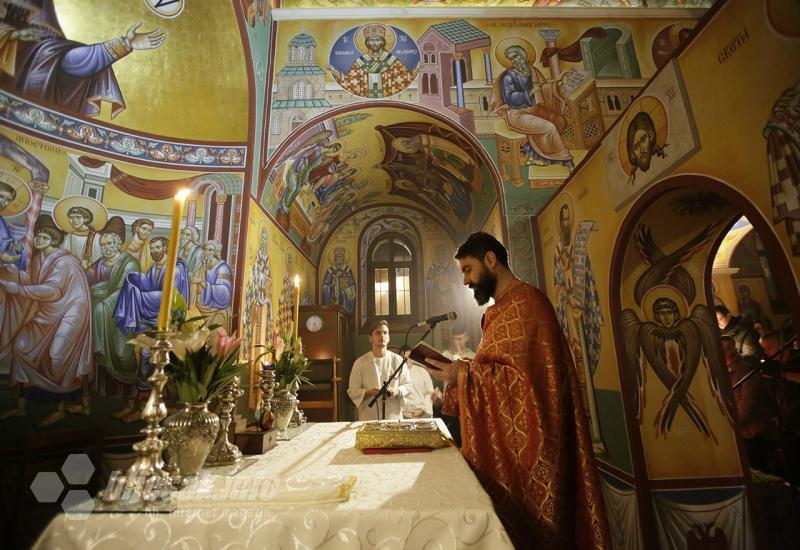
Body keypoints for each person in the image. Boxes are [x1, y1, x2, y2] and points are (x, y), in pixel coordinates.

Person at [424, 232, 610, 549]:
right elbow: (501, 374)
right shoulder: (500, 310)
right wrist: (462, 374)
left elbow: (531, 389)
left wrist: (464, 375)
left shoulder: (529, 304)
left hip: (537, 450)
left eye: (468, 269)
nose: (466, 281)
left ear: (491, 260)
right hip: (511, 444)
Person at [0, 215, 92, 427]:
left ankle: (59, 408)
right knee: (22, 345)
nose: (40, 238)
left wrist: (20, 290)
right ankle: (20, 405)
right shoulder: (38, 258)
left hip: (71, 313)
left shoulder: (64, 261)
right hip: (47, 313)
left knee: (57, 356)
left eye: (45, 235)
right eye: (38, 235)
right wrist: (12, 270)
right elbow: (31, 280)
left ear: (54, 239)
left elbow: (52, 290)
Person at [0, 1, 165, 118]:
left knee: (55, 54)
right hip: (19, 61)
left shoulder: (48, 45)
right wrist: (14, 35)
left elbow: (68, 61)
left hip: (40, 50)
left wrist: (125, 43)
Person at [490, 44, 574, 168]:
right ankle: (564, 159)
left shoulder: (532, 70)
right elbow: (511, 99)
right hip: (517, 113)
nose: (514, 61)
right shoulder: (508, 77)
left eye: (516, 57)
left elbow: (543, 89)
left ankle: (540, 155)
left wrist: (559, 84)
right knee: (550, 127)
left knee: (559, 120)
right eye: (511, 59)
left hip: (535, 109)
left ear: (523, 55)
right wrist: (529, 92)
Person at [86, 217, 141, 407]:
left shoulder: (130, 263)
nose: (105, 247)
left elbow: (125, 290)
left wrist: (102, 307)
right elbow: (87, 280)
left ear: (118, 243)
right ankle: (103, 392)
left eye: (109, 243)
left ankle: (130, 399)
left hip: (121, 317)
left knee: (121, 352)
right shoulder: (99, 263)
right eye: (102, 244)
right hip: (99, 316)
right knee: (99, 354)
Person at [723, 336, 777, 472]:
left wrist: (732, 425)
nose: (726, 352)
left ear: (734, 349)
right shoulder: (723, 372)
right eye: (722, 349)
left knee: (757, 467)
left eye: (728, 348)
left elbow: (748, 402)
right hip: (740, 430)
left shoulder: (745, 370)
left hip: (751, 431)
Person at [347, 320, 412, 421]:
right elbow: (353, 391)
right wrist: (370, 392)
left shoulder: (399, 361)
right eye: (378, 332)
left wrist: (397, 391)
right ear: (370, 338)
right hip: (369, 416)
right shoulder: (360, 362)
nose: (382, 335)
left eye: (385, 332)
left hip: (393, 416)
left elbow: (408, 385)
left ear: (389, 337)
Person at [329, 24, 416, 98]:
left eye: (377, 40)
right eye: (371, 40)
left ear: (382, 42)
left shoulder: (392, 60)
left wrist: (415, 71)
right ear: (367, 43)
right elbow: (352, 82)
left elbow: (403, 78)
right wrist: (336, 73)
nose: (374, 43)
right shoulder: (360, 61)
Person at [189, 240, 232, 327]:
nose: (207, 252)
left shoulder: (222, 268)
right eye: (205, 249)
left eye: (210, 250)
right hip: (199, 310)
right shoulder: (202, 268)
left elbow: (224, 293)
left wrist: (201, 282)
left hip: (216, 311)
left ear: (216, 252)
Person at [322, 246, 356, 314]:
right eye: (338, 259)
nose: (339, 262)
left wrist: (347, 288)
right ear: (335, 260)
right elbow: (324, 286)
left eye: (341, 259)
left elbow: (353, 286)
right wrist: (331, 286)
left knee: (343, 293)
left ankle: (345, 312)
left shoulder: (347, 270)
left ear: (343, 260)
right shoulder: (330, 271)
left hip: (344, 299)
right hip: (332, 298)